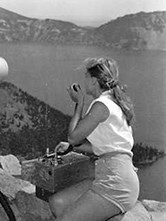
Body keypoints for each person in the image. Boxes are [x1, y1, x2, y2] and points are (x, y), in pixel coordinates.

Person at [48, 57, 139, 221]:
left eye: (86, 76)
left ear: (94, 81)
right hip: (111, 176)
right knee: (57, 203)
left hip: (115, 184)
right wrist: (71, 148)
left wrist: (79, 104)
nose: (84, 80)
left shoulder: (102, 105)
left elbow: (73, 136)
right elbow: (104, 148)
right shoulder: (113, 102)